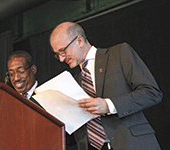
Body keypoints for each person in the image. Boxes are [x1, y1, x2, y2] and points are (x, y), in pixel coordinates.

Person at [50, 22, 162, 150]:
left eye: (63, 51)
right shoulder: (73, 82)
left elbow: (152, 93)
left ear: (79, 41)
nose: (61, 59)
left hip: (131, 144)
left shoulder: (119, 54)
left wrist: (109, 106)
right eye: (57, 54)